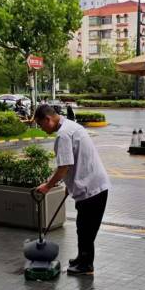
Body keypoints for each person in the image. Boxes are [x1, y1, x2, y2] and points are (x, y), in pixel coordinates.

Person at [35, 104, 110, 276]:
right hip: (93, 185)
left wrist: (47, 186)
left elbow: (64, 167)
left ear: (48, 119)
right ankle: (82, 258)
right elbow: (77, 159)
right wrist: (69, 186)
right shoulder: (71, 126)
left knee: (86, 229)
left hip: (91, 188)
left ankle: (86, 266)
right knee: (83, 227)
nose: (41, 129)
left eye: (40, 125)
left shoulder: (63, 135)